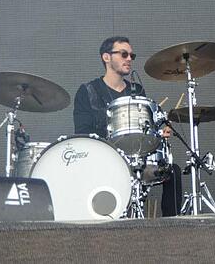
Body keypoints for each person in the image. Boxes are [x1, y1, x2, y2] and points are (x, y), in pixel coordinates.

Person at [73, 36, 182, 216]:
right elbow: (82, 135)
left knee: (173, 172)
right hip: (103, 161)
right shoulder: (88, 91)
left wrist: (157, 133)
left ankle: (172, 227)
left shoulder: (137, 90)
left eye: (132, 55)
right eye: (124, 54)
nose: (129, 59)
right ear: (106, 57)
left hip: (135, 159)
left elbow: (145, 126)